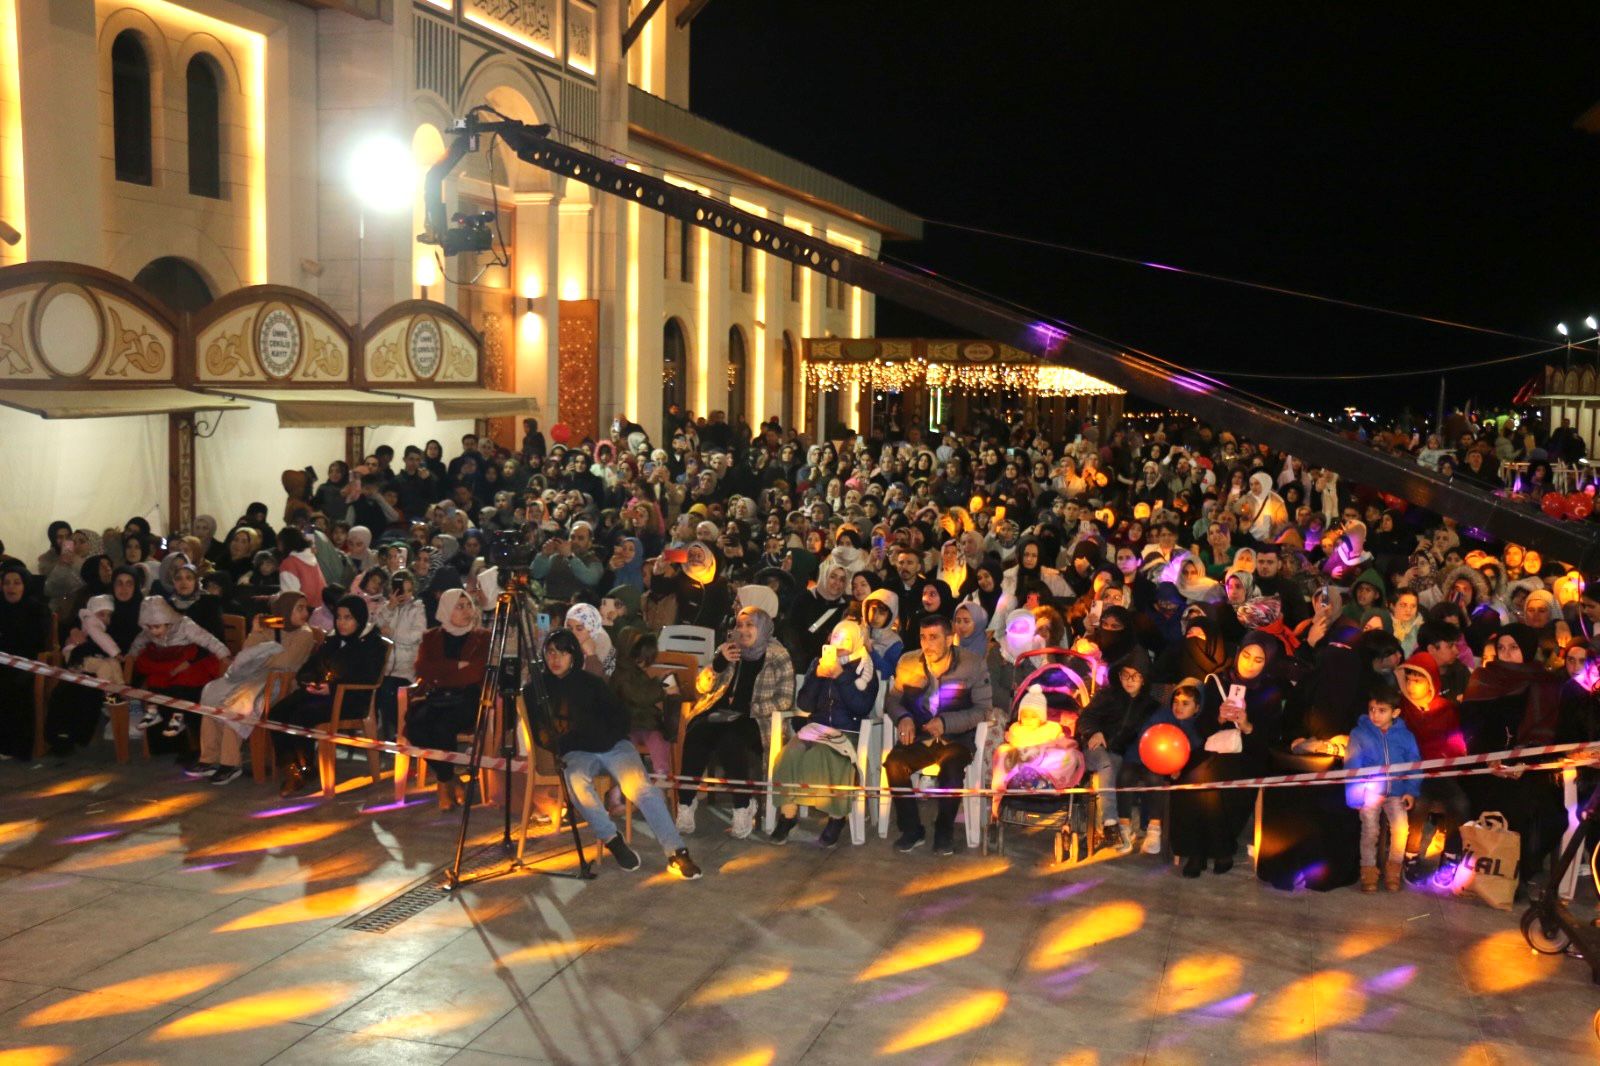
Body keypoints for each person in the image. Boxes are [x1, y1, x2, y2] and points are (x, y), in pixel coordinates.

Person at [526, 629, 701, 879]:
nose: (556, 659)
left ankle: (676, 851)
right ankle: (612, 839)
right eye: (551, 652)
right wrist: (566, 742)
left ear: (573, 655)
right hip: (576, 752)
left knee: (641, 788)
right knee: (576, 782)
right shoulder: (536, 690)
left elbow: (619, 715)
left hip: (613, 746)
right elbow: (541, 733)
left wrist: (608, 737)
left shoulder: (591, 682)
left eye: (563, 652)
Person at [1169, 633, 1285, 877]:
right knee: (1190, 779)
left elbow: (1272, 738)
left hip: (1248, 755)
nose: (1249, 664)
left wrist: (1247, 726)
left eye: (1258, 660)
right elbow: (1201, 729)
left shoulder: (1271, 690)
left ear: (1268, 662)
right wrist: (1219, 718)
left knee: (1217, 783)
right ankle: (1200, 850)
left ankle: (1211, 849)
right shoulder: (1218, 680)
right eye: (1245, 655)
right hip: (1213, 748)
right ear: (1238, 652)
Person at [675, 606, 795, 840]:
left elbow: (785, 699)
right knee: (697, 733)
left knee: (730, 740)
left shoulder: (777, 655)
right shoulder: (728, 650)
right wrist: (719, 664)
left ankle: (743, 806)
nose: (743, 630)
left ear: (762, 627)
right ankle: (686, 804)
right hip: (720, 713)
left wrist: (753, 709)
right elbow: (701, 688)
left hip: (756, 719)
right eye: (739, 625)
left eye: (750, 625)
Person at [884, 612, 993, 855]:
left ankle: (944, 830)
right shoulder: (909, 662)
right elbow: (892, 699)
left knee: (952, 769)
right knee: (894, 764)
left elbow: (983, 711)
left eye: (934, 637)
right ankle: (912, 829)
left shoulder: (972, 664)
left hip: (956, 737)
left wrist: (946, 722)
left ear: (950, 638)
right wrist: (903, 718)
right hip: (920, 736)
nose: (927, 644)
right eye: (923, 637)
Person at [769, 620, 880, 847]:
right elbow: (804, 703)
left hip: (847, 732)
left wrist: (841, 676)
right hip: (816, 728)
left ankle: (837, 817)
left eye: (845, 641)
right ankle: (788, 816)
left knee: (823, 756)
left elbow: (860, 706)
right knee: (788, 755)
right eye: (835, 639)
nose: (838, 646)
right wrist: (818, 676)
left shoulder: (864, 669)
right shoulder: (819, 663)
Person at [269, 595, 388, 796]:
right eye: (339, 617)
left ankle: (305, 768)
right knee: (277, 713)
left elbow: (368, 677)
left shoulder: (371, 643)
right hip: (321, 694)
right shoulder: (333, 640)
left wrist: (332, 688)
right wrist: (310, 680)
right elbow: (310, 666)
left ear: (359, 618)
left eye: (348, 618)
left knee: (301, 716)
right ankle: (292, 768)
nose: (342, 622)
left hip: (350, 699)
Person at [191, 591, 316, 784]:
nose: (304, 613)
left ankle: (230, 763)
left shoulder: (305, 634)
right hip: (252, 678)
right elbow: (246, 653)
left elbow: (286, 662)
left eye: (305, 608)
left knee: (238, 706)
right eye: (298, 608)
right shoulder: (272, 627)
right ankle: (209, 758)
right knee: (213, 700)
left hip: (278, 684)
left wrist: (262, 656)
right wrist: (256, 631)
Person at [401, 588, 491, 809]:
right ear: (447, 609)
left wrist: (442, 673)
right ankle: (448, 778)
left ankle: (444, 787)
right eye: (460, 606)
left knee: (443, 727)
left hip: (468, 697)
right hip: (436, 697)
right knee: (415, 728)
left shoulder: (483, 637)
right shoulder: (431, 637)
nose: (467, 611)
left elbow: (476, 672)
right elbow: (422, 668)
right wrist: (455, 667)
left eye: (469, 605)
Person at [1343, 686, 1420, 892]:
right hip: (1369, 792)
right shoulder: (1359, 734)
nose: (1375, 715)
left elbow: (1414, 764)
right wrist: (1356, 797)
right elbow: (1352, 765)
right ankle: (1368, 871)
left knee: (1401, 830)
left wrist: (1411, 790)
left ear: (1395, 712)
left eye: (1382, 710)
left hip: (1397, 792)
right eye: (1372, 709)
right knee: (1370, 831)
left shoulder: (1406, 736)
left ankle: (1393, 870)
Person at [0, 562, 52, 758]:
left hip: (27, 663)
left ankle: (16, 746)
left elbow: (37, 642)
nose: (11, 588)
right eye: (6, 583)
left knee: (12, 685)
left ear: (25, 585)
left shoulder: (36, 609)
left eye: (16, 583)